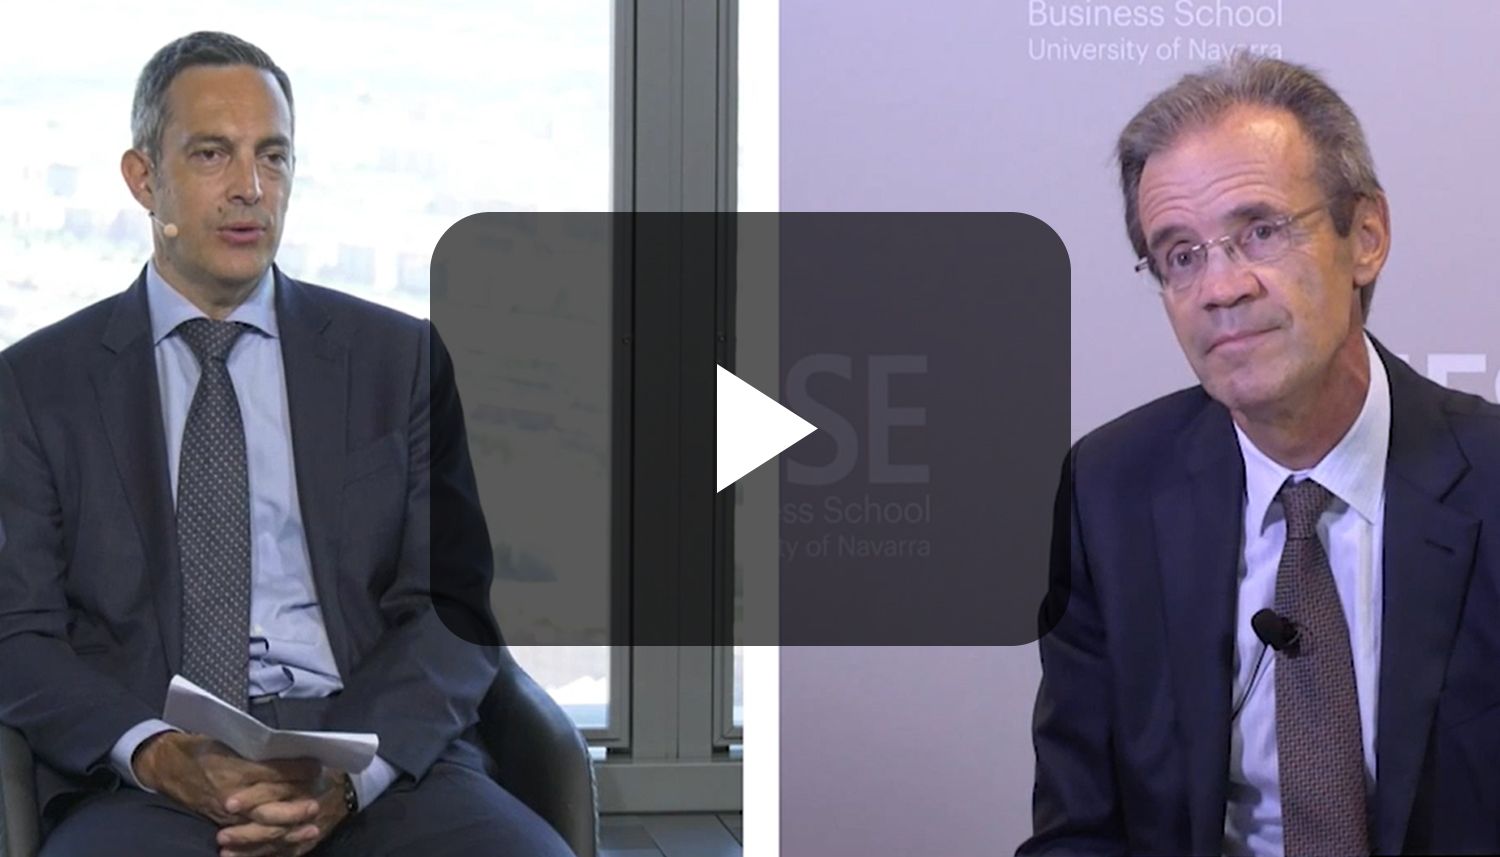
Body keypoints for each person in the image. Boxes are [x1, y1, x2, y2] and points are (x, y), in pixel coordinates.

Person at [0, 31, 573, 857]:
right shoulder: (37, 385)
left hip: (376, 760)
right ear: (143, 178)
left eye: (273, 156)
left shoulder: (398, 361)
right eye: (212, 154)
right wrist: (156, 754)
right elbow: (18, 632)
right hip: (151, 779)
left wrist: (344, 777)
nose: (251, 187)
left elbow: (454, 611)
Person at [1020, 53, 1500, 857]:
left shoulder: (1488, 478)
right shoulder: (1110, 493)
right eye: (1181, 254)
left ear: (1367, 237)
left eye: (1260, 232)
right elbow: (1081, 828)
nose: (1221, 288)